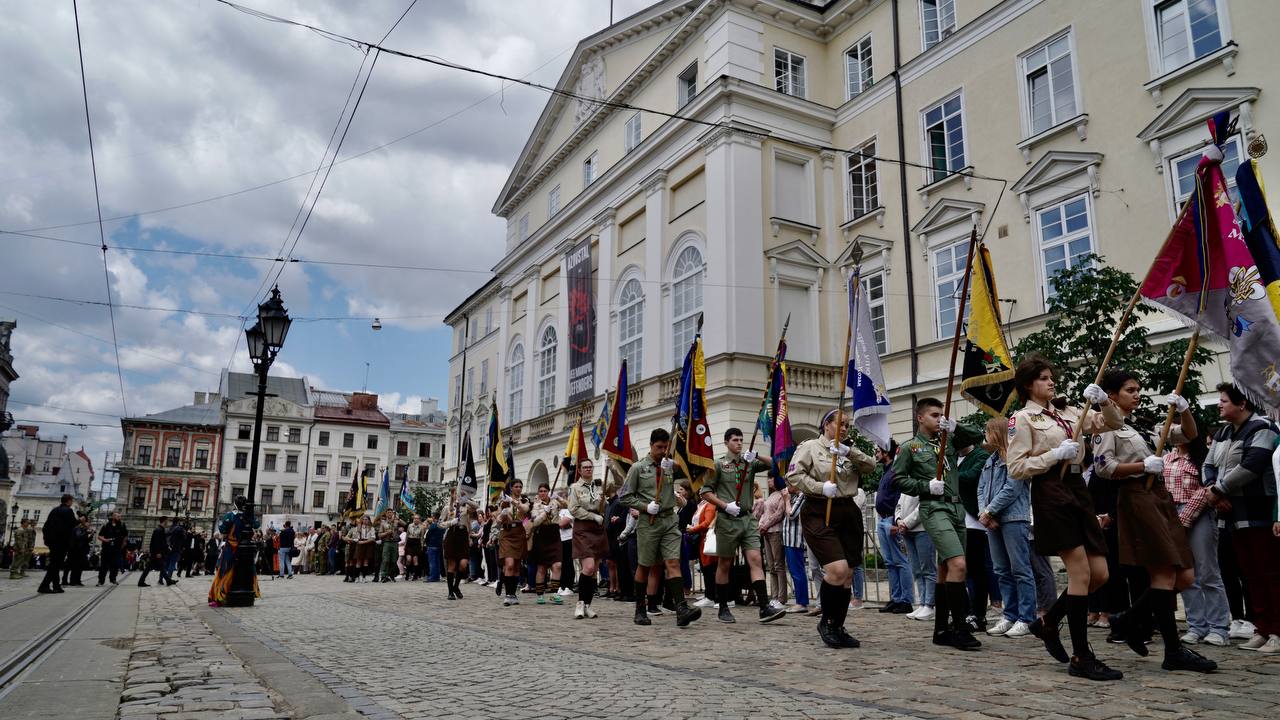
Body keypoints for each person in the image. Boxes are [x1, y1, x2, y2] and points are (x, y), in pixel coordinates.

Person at [1007, 354, 1125, 681]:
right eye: (1043, 378)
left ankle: (1048, 623)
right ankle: (1081, 656)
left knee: (1099, 573)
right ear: (1028, 385)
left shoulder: (1069, 411)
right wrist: (1053, 455)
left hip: (1077, 488)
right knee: (1080, 572)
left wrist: (1104, 402)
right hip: (1050, 489)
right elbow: (1016, 467)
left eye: (1051, 377)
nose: (1051, 382)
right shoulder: (1022, 419)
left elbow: (1113, 423)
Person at [1093, 371, 1216, 672]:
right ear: (1112, 395)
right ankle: (1173, 651)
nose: (1136, 394)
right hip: (1137, 496)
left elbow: (1187, 435)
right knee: (1164, 574)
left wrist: (1185, 410)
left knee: (1184, 576)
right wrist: (1141, 466)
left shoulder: (1143, 423)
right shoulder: (1108, 426)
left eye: (1138, 389)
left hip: (1160, 496)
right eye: (1129, 390)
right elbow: (1102, 467)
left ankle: (1128, 619)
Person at [894, 398, 986, 650]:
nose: (939, 419)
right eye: (934, 415)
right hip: (934, 507)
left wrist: (955, 426)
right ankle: (960, 628)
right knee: (958, 564)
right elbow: (898, 479)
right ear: (920, 418)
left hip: (957, 508)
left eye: (941, 415)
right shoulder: (910, 448)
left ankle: (941, 630)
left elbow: (977, 436)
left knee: (945, 568)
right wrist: (925, 486)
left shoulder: (949, 440)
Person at [785, 409, 875, 648]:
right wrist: (819, 487)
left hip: (847, 511)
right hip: (819, 510)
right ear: (826, 424)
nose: (844, 429)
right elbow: (793, 476)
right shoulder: (810, 446)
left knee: (847, 574)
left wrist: (849, 451)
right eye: (840, 424)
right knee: (837, 569)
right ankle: (826, 621)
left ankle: (838, 625)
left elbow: (871, 466)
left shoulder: (849, 449)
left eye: (847, 425)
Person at [1202, 382, 1280, 654]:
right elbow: (1208, 464)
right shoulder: (1224, 432)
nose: (1219, 404)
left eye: (1224, 400)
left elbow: (1252, 465)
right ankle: (1262, 628)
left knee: (1270, 572)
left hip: (1259, 512)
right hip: (1231, 514)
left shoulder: (1262, 428)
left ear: (1242, 403)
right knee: (1251, 574)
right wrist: (1213, 489)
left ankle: (1277, 630)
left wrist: (1219, 490)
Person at [700, 427, 785, 624]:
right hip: (727, 519)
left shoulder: (749, 463)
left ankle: (764, 607)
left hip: (748, 519)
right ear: (726, 443)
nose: (739, 443)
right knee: (725, 563)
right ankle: (723, 606)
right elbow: (705, 491)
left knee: (756, 560)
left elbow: (777, 464)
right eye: (735, 440)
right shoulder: (718, 465)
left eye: (741, 439)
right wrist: (724, 505)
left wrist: (756, 455)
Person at [622, 428, 701, 628]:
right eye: (659, 447)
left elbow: (688, 473)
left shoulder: (668, 465)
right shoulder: (638, 468)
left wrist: (674, 464)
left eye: (666, 447)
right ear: (651, 445)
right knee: (645, 565)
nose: (663, 451)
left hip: (669, 521)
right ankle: (640, 609)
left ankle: (681, 609)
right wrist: (644, 506)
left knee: (673, 562)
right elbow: (625, 496)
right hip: (649, 522)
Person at [978, 416, 1035, 638]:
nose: (985, 435)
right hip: (992, 521)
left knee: (1020, 569)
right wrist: (984, 513)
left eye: (988, 430)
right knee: (1001, 570)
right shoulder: (990, 460)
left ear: (997, 433)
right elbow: (981, 488)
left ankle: (1027, 617)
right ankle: (1010, 615)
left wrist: (990, 511)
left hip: (1013, 518)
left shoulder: (1015, 457)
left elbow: (1012, 488)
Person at [874, 441, 913, 614]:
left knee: (901, 561)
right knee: (890, 563)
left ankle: (906, 600)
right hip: (883, 519)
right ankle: (896, 598)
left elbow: (899, 497)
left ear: (886, 452)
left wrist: (896, 522)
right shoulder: (886, 471)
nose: (876, 454)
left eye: (878, 451)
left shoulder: (896, 471)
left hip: (891, 520)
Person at [568, 457, 609, 619]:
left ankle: (587, 605)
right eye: (585, 467)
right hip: (583, 528)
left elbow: (622, 488)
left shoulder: (599, 485)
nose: (588, 469)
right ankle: (579, 603)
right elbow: (573, 508)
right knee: (589, 567)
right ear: (579, 470)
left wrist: (614, 470)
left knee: (594, 571)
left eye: (590, 467)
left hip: (598, 529)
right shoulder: (575, 487)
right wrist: (592, 516)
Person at [208, 497, 260, 606]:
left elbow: (223, 529)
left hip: (231, 546)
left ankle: (221, 594)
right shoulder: (248, 515)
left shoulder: (230, 515)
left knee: (225, 569)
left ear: (235, 504)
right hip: (245, 547)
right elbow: (256, 525)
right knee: (247, 569)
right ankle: (250, 590)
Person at [495, 480, 531, 605]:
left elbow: (525, 510)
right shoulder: (504, 501)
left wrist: (514, 501)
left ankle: (513, 594)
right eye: (516, 486)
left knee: (516, 565)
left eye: (520, 486)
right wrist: (502, 514)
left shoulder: (524, 500)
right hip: (507, 533)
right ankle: (508, 594)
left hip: (519, 533)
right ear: (511, 488)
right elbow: (498, 520)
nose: (518, 489)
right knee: (509, 564)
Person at [38, 494, 77, 594]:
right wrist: (80, 521)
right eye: (71, 501)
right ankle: (44, 586)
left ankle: (56, 585)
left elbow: (46, 526)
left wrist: (47, 539)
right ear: (69, 501)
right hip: (61, 541)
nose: (72, 503)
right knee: (55, 565)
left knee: (55, 563)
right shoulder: (68, 511)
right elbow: (73, 524)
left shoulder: (54, 510)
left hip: (52, 541)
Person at [441, 491, 477, 599]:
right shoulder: (447, 508)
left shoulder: (466, 508)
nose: (458, 495)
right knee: (451, 565)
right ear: (452, 495)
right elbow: (440, 523)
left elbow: (476, 506)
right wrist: (450, 523)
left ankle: (456, 586)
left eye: (461, 494)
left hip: (463, 535)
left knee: (463, 564)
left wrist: (466, 499)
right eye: (456, 494)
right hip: (452, 535)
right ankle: (450, 592)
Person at [138, 517, 172, 588]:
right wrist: (158, 553)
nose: (168, 522)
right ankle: (168, 581)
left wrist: (166, 548)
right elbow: (155, 543)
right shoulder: (158, 530)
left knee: (152, 567)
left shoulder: (160, 529)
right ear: (164, 521)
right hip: (157, 553)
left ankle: (141, 581)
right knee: (161, 567)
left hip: (156, 553)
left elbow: (162, 542)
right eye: (167, 521)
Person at [97, 512, 127, 586]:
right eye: (118, 516)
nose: (119, 518)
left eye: (120, 516)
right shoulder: (106, 525)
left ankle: (113, 579)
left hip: (116, 549)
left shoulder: (122, 526)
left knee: (115, 566)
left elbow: (125, 536)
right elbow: (99, 536)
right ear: (113, 517)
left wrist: (122, 545)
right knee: (104, 565)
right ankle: (101, 581)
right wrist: (105, 540)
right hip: (106, 549)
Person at [63, 513, 91, 587]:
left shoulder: (83, 529)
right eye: (86, 522)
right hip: (74, 549)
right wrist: (86, 532)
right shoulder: (78, 528)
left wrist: (91, 535)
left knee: (79, 566)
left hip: (81, 549)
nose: (88, 524)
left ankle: (77, 580)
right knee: (70, 565)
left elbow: (86, 540)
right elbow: (79, 537)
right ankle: (68, 580)